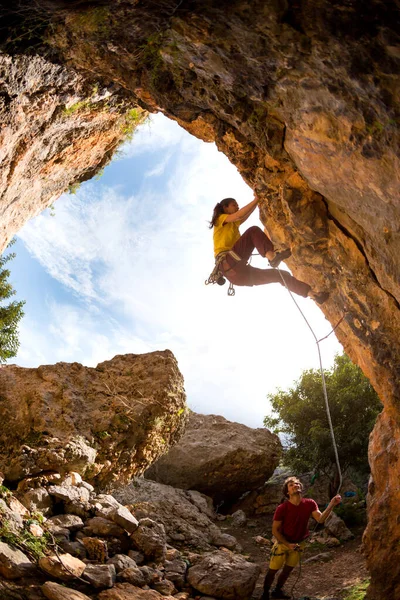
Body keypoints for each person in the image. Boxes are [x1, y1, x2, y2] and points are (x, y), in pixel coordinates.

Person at [209, 197, 329, 302]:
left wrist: (257, 200)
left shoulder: (233, 225)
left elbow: (244, 215)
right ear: (225, 208)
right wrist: (256, 199)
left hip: (236, 276)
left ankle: (312, 294)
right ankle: (272, 257)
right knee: (253, 231)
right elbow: (239, 215)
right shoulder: (220, 219)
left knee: (279, 275)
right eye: (234, 204)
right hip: (229, 262)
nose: (237, 206)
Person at [261, 476, 342, 599]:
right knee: (273, 570)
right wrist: (287, 544)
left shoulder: (309, 503)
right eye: (291, 485)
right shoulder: (282, 508)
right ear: (287, 492)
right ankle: (265, 593)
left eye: (297, 484)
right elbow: (274, 530)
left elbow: (320, 519)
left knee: (288, 570)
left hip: (299, 544)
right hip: (283, 543)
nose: (296, 485)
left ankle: (277, 590)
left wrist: (331, 504)